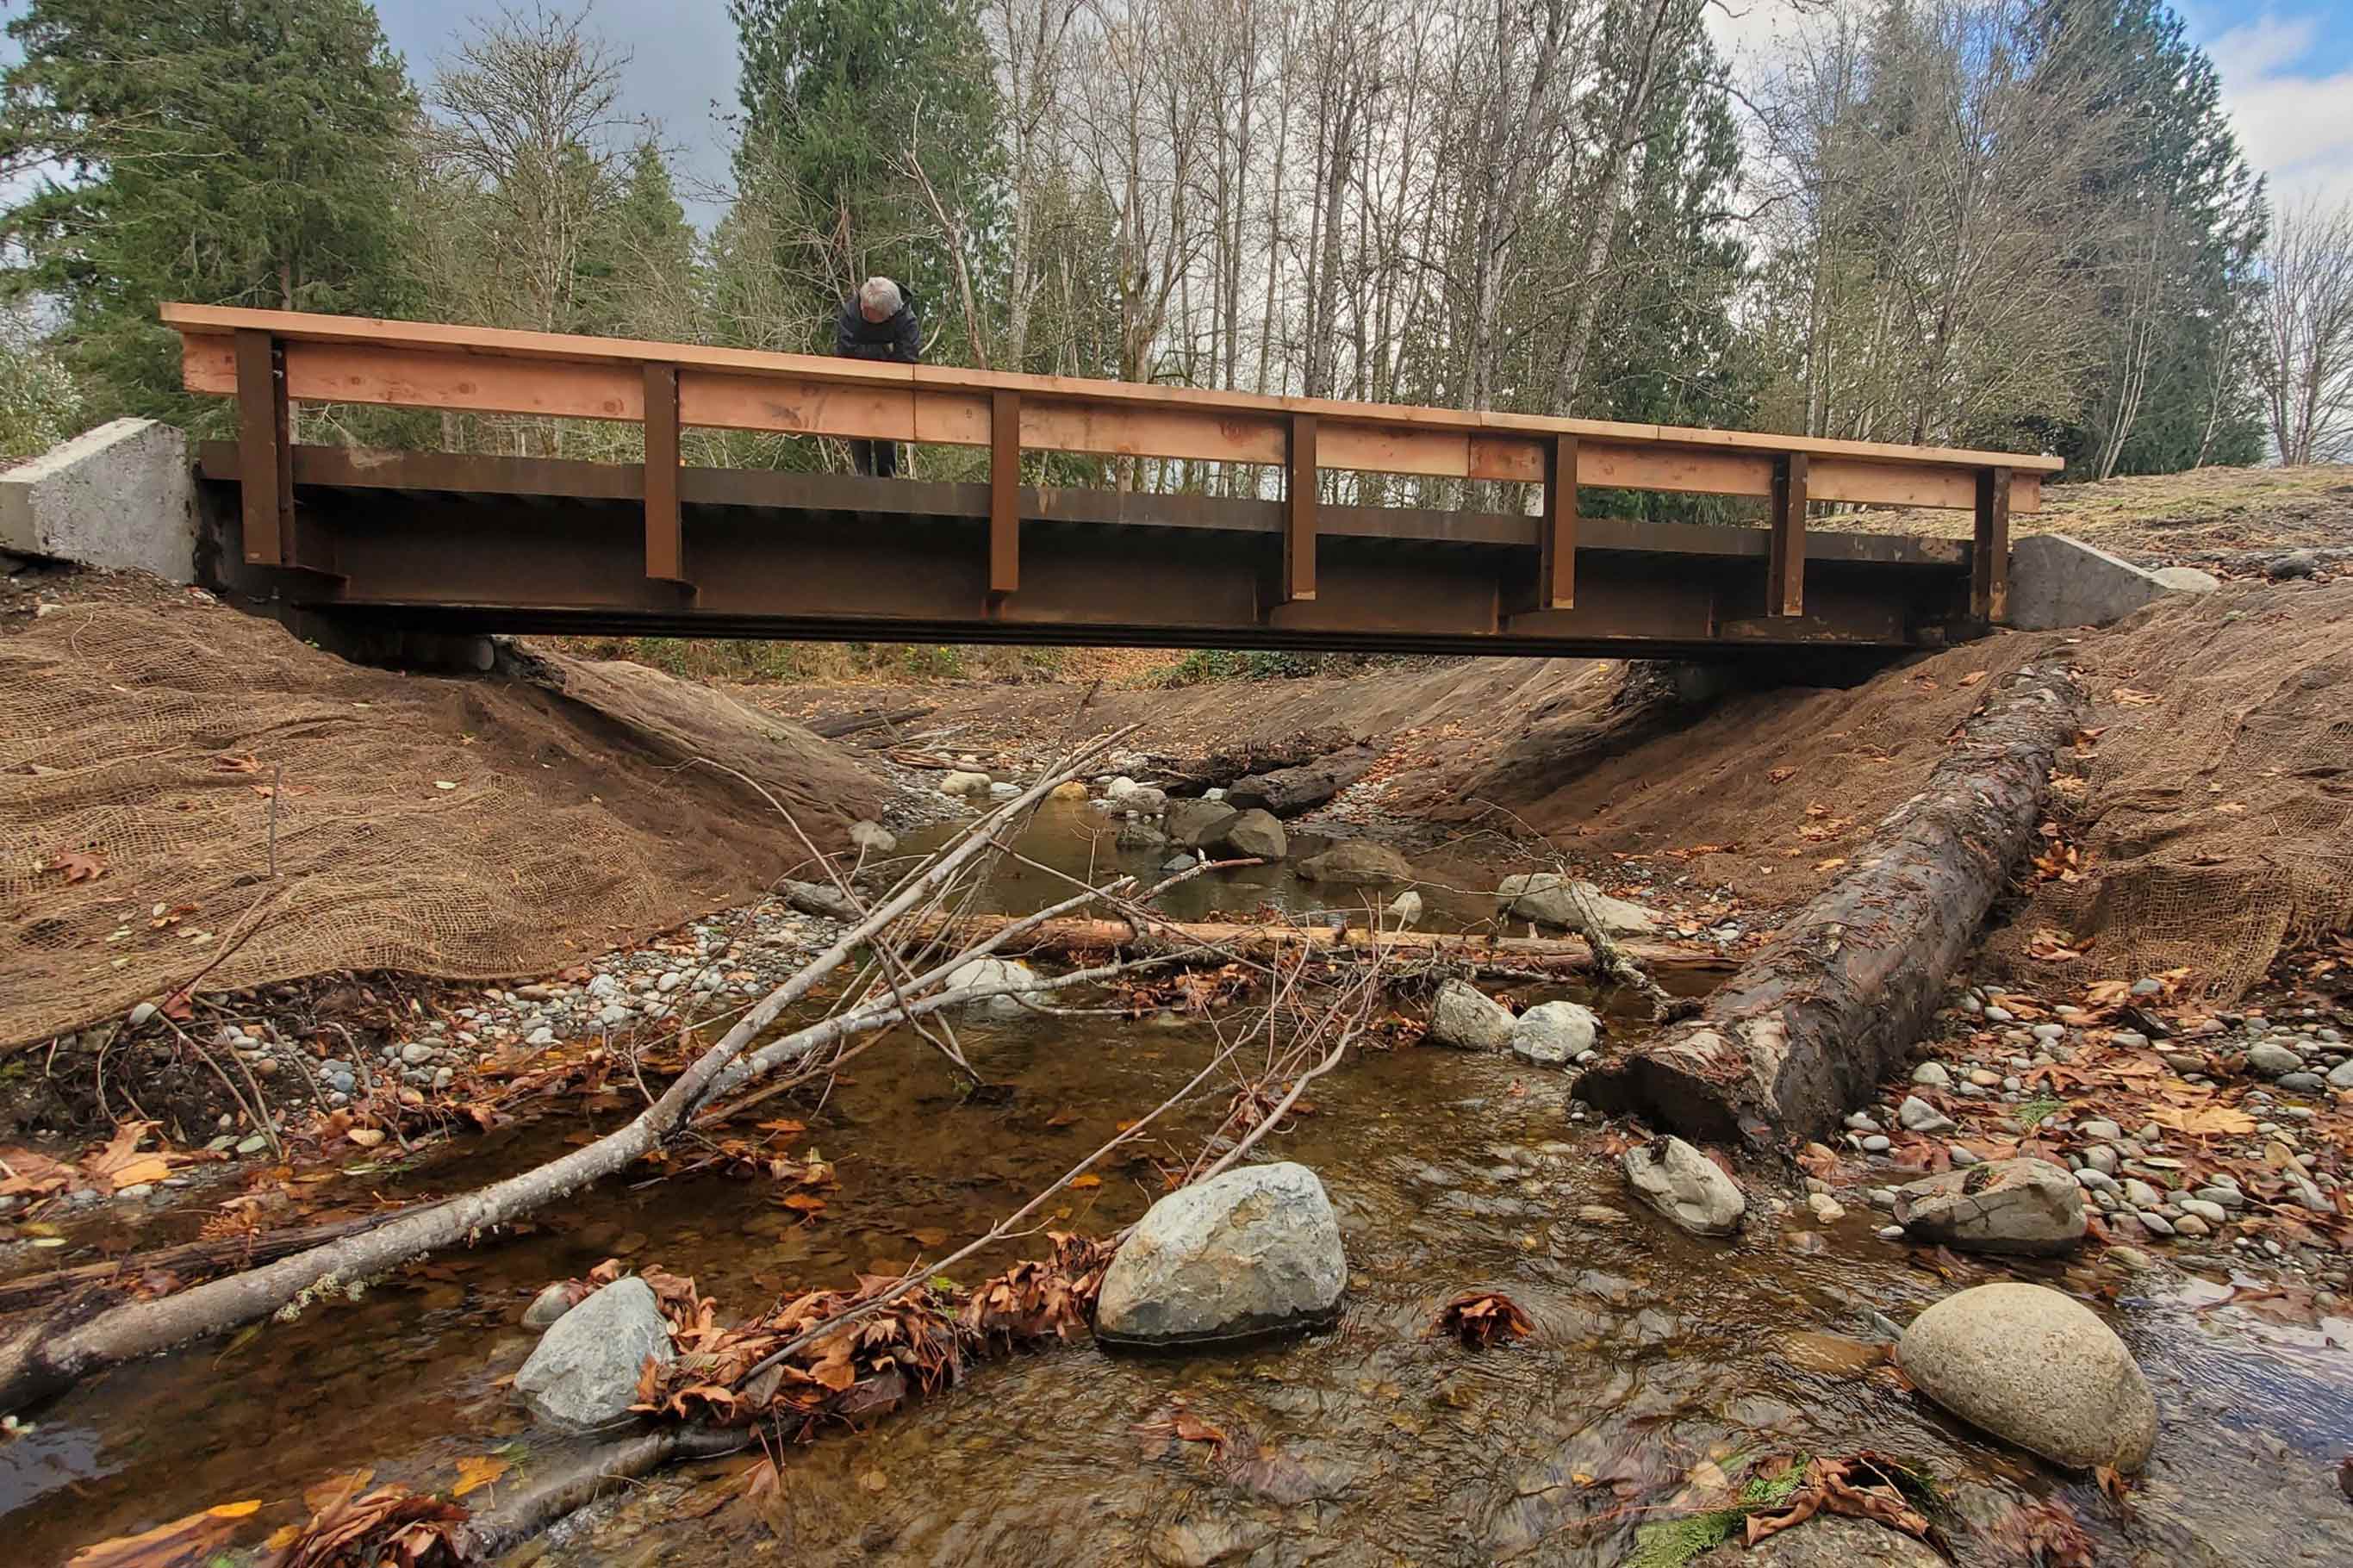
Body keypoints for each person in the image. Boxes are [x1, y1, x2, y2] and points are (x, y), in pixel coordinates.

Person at [835, 276, 921, 477]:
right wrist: (884, 351)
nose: (862, 309)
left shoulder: (906, 322)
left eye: (868, 310)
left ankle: (888, 491)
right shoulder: (852, 312)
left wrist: (869, 354)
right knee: (859, 451)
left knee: (886, 449)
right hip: (855, 388)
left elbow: (907, 362)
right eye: (862, 305)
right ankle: (860, 486)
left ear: (887, 315)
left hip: (889, 393)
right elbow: (845, 352)